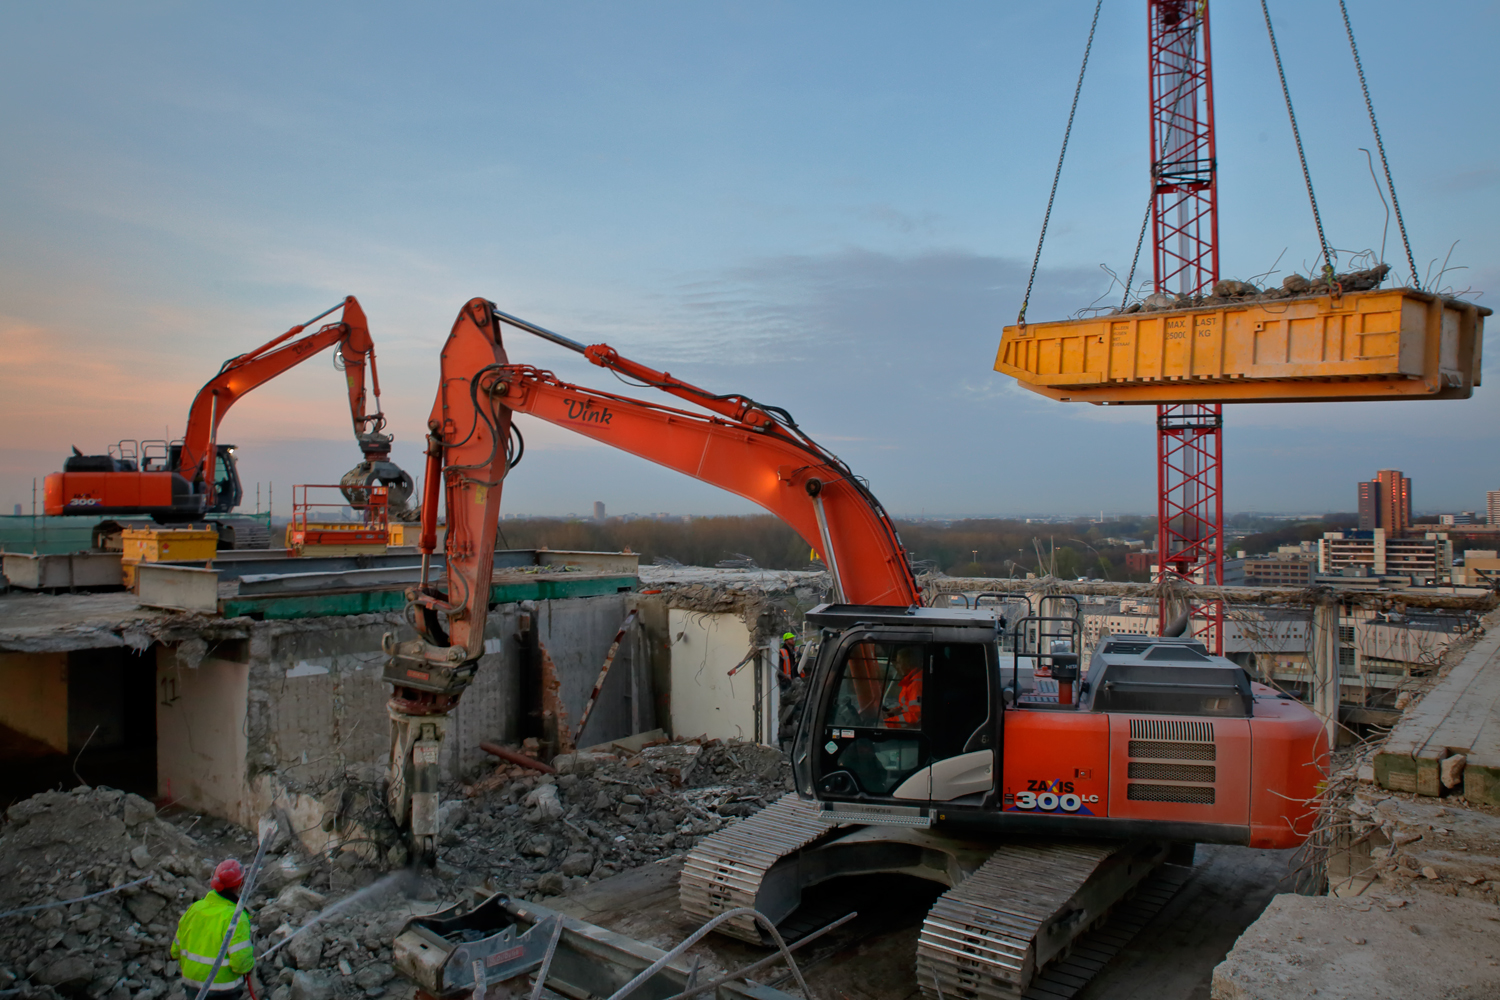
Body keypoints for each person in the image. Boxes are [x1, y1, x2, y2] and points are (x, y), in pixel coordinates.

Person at [171, 859, 255, 998]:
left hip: (191, 983)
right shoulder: (236, 917)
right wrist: (251, 965)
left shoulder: (195, 908)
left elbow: (175, 951)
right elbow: (241, 963)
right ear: (240, 884)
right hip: (222, 989)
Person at [882, 646, 923, 728]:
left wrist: (888, 723)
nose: (897, 666)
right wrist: (895, 711)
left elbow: (915, 716)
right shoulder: (911, 681)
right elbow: (909, 707)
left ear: (908, 664)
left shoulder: (916, 684)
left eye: (899, 662)